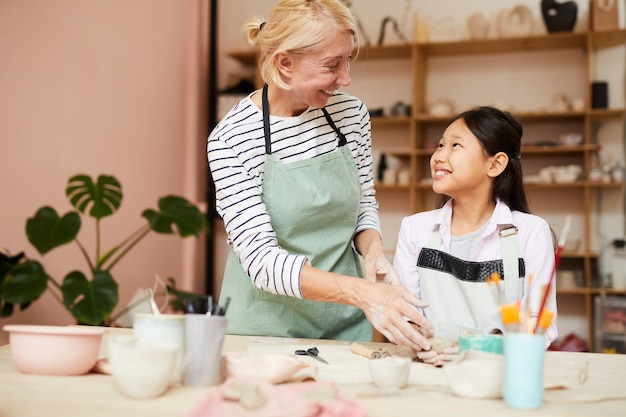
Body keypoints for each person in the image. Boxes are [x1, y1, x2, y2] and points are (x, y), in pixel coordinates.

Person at [207, 0, 433, 352]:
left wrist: (373, 252)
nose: (345, 78)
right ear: (285, 63)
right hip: (266, 331)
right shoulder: (230, 140)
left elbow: (363, 203)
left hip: (344, 323)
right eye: (331, 65)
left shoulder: (350, 113)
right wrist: (363, 292)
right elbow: (263, 263)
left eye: (348, 59)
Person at [393, 106, 558, 365]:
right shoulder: (415, 229)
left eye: (455, 145)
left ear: (495, 164)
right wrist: (421, 342)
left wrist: (476, 349)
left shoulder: (531, 232)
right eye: (440, 145)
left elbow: (539, 326)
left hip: (499, 374)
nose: (438, 156)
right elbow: (406, 315)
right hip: (430, 370)